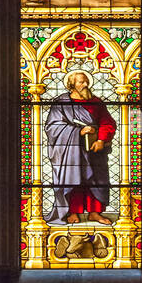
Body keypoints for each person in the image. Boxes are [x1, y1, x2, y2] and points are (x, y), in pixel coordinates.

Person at [45, 71, 116, 223]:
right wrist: (78, 131)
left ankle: (94, 213)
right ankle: (72, 212)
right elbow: (53, 127)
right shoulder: (61, 103)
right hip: (70, 151)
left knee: (96, 180)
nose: (85, 85)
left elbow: (108, 123)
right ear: (72, 86)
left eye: (86, 81)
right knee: (74, 178)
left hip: (94, 149)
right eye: (80, 82)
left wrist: (101, 140)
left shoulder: (96, 102)